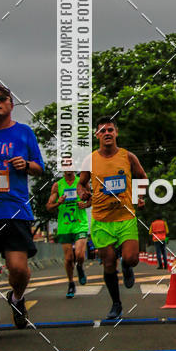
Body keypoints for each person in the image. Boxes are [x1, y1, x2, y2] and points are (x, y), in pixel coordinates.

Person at [0, 84, 44, 340]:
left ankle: (17, 297)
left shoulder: (24, 133)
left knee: (17, 269)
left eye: (2, 98)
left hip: (16, 210)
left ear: (11, 104)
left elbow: (39, 168)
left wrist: (26, 164)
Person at [77, 116, 147, 320]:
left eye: (110, 130)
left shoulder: (128, 156)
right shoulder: (90, 160)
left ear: (116, 133)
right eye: (102, 131)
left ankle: (126, 265)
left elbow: (142, 176)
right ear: (97, 135)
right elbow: (81, 184)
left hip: (125, 217)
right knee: (108, 264)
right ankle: (116, 304)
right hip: (101, 220)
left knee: (132, 258)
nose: (106, 133)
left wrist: (139, 196)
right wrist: (82, 192)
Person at [47, 170, 88, 297]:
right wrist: (58, 203)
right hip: (64, 226)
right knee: (69, 258)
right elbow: (48, 206)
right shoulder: (57, 185)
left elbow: (92, 200)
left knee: (79, 255)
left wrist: (85, 204)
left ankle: (80, 266)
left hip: (80, 224)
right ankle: (71, 283)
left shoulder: (81, 182)